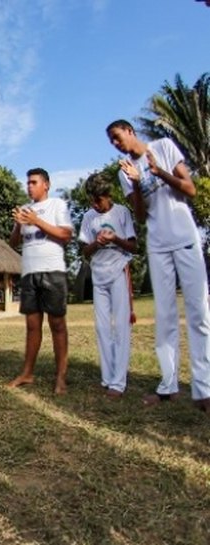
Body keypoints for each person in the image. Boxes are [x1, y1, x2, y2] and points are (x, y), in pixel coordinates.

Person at [107, 119, 210, 410]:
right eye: (111, 142)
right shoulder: (124, 172)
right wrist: (138, 183)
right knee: (164, 316)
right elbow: (140, 216)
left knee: (199, 312)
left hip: (184, 235)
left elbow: (189, 189)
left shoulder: (163, 147)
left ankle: (203, 389)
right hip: (158, 243)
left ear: (130, 131)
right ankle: (169, 385)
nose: (116, 144)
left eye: (117, 137)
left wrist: (158, 172)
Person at [6, 168, 73, 395]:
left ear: (46, 184)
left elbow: (65, 235)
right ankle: (27, 373)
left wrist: (36, 220)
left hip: (53, 270)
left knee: (57, 325)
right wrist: (18, 224)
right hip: (29, 272)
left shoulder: (57, 205)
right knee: (32, 326)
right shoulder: (24, 210)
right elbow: (13, 244)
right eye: (27, 183)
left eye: (34, 182)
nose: (29, 186)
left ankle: (60, 377)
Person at [78, 171, 137, 398]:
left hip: (119, 271)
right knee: (102, 328)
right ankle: (107, 376)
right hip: (99, 275)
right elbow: (85, 251)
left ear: (108, 194)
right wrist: (97, 242)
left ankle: (119, 382)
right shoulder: (87, 217)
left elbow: (133, 246)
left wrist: (114, 239)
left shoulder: (122, 213)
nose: (96, 204)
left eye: (99, 200)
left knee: (121, 327)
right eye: (92, 201)